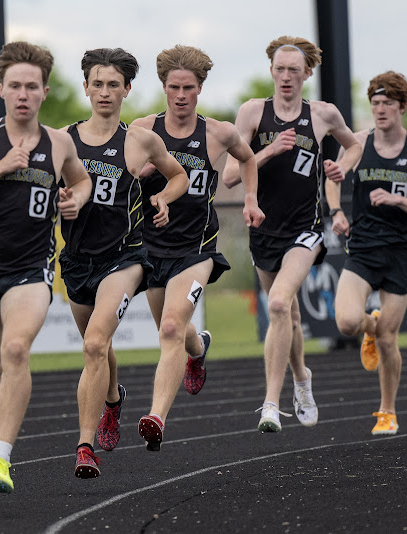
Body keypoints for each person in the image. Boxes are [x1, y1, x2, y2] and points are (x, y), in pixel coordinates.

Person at [0, 41, 92, 493]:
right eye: (15, 86)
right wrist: (0, 168)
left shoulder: (59, 142)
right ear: (2, 91)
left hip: (31, 269)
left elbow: (81, 180)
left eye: (32, 86)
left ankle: (0, 459)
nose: (23, 94)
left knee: (17, 351)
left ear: (44, 92)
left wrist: (74, 199)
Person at [59, 47, 188, 478]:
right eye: (97, 84)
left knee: (94, 344)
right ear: (85, 87)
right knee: (101, 347)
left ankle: (84, 447)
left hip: (125, 259)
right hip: (77, 261)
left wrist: (164, 199)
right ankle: (113, 399)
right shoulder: (63, 140)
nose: (104, 92)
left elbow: (179, 176)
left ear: (127, 90)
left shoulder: (140, 140)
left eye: (113, 84)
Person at [224, 36, 362, 433]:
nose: (286, 76)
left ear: (307, 74)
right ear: (271, 71)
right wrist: (268, 152)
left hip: (305, 230)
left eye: (294, 70)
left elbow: (352, 147)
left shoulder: (322, 114)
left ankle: (271, 404)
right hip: (263, 229)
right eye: (280, 69)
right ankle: (303, 378)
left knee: (281, 305)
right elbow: (232, 176)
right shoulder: (252, 112)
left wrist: (342, 168)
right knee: (292, 316)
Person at [131, 45, 265, 451]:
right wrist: (145, 172)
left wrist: (251, 199)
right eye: (174, 87)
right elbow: (125, 175)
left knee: (170, 327)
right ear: (164, 88)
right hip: (151, 247)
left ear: (200, 87)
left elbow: (248, 159)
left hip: (197, 248)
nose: (181, 95)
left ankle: (156, 417)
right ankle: (199, 349)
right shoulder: (142, 129)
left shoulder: (219, 132)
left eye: (189, 87)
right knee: (172, 330)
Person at [330, 70, 407, 436]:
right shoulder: (359, 143)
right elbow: (334, 176)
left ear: (402, 106)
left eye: (387, 104)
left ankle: (387, 411)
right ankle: (369, 326)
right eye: (375, 103)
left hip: (399, 252)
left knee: (390, 339)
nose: (380, 110)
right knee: (347, 322)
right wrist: (336, 211)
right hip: (362, 249)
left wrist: (398, 199)